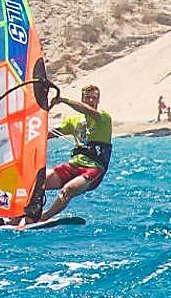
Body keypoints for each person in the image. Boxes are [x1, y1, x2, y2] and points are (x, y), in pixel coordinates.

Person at [21, 85, 112, 224]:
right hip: (73, 166)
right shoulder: (73, 120)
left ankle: (43, 218)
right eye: (88, 98)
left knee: (67, 190)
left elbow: (88, 111)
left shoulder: (103, 118)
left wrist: (64, 100)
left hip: (94, 169)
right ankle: (17, 218)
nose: (91, 100)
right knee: (36, 183)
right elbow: (48, 134)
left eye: (94, 98)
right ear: (82, 98)